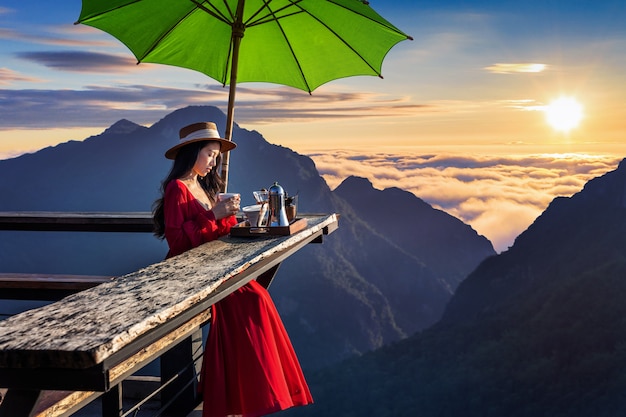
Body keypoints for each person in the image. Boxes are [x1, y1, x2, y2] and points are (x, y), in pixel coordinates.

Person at [152, 122, 313, 417]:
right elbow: (177, 241)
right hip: (190, 273)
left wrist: (229, 217)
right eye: (211, 154)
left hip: (212, 266)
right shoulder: (177, 189)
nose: (214, 162)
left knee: (257, 298)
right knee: (253, 300)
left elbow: (211, 232)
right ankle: (248, 393)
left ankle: (246, 393)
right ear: (192, 153)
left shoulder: (200, 186)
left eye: (216, 156)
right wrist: (213, 214)